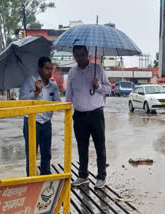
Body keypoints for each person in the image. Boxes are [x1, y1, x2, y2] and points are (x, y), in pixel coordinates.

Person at [66, 45, 111, 189]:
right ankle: (83, 175)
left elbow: (109, 89)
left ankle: (101, 176)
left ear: (88, 54)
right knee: (81, 146)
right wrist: (66, 113)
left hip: (96, 114)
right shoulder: (72, 72)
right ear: (74, 56)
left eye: (82, 55)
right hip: (79, 116)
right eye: (77, 56)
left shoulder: (98, 69)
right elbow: (69, 97)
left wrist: (98, 86)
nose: (80, 58)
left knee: (100, 146)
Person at [19, 57, 61, 176]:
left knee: (46, 153)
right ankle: (31, 178)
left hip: (46, 123)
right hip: (32, 122)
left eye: (50, 69)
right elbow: (21, 99)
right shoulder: (30, 80)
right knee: (31, 153)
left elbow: (57, 104)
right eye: (46, 68)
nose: (49, 71)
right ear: (40, 69)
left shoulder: (53, 86)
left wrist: (57, 101)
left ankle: (45, 177)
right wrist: (35, 93)